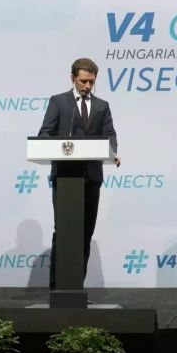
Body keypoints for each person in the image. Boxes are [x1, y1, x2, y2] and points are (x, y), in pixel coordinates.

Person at [39, 57, 120, 291]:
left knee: (85, 231)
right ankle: (57, 286)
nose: (87, 86)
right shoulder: (59, 102)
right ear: (73, 78)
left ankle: (76, 286)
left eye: (91, 82)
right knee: (63, 230)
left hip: (91, 176)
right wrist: (53, 145)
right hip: (65, 176)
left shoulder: (102, 106)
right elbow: (45, 132)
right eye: (83, 81)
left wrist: (112, 151)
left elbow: (110, 134)